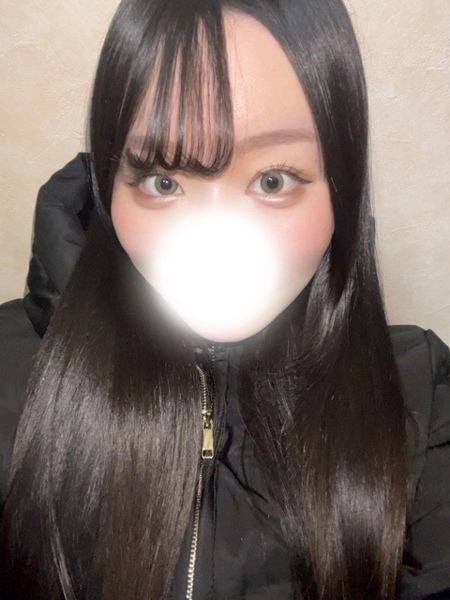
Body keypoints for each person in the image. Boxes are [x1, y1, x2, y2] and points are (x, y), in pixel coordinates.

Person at [0, 0, 449, 598]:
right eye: (163, 180)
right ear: (110, 188)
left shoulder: (421, 394)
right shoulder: (10, 370)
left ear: (342, 188)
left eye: (272, 180)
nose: (214, 243)